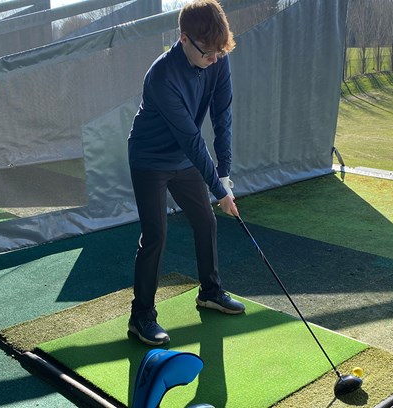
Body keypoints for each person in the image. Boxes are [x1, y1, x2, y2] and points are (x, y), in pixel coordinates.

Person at [127, 0, 245, 346]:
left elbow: (222, 118)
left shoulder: (218, 61)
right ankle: (141, 318)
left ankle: (209, 292)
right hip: (149, 160)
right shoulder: (162, 76)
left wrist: (224, 175)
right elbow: (193, 140)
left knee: (205, 222)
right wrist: (220, 192)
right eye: (207, 53)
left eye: (218, 53)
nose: (213, 60)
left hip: (182, 160)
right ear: (183, 39)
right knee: (155, 236)